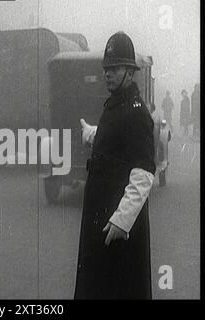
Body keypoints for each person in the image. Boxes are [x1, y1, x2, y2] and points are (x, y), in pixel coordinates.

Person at [74, 31, 156, 299]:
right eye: (106, 68)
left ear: (130, 72)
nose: (108, 74)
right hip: (102, 215)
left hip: (118, 223)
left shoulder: (136, 112)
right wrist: (92, 135)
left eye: (115, 68)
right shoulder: (118, 106)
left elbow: (143, 172)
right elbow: (116, 140)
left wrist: (122, 220)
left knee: (117, 289)